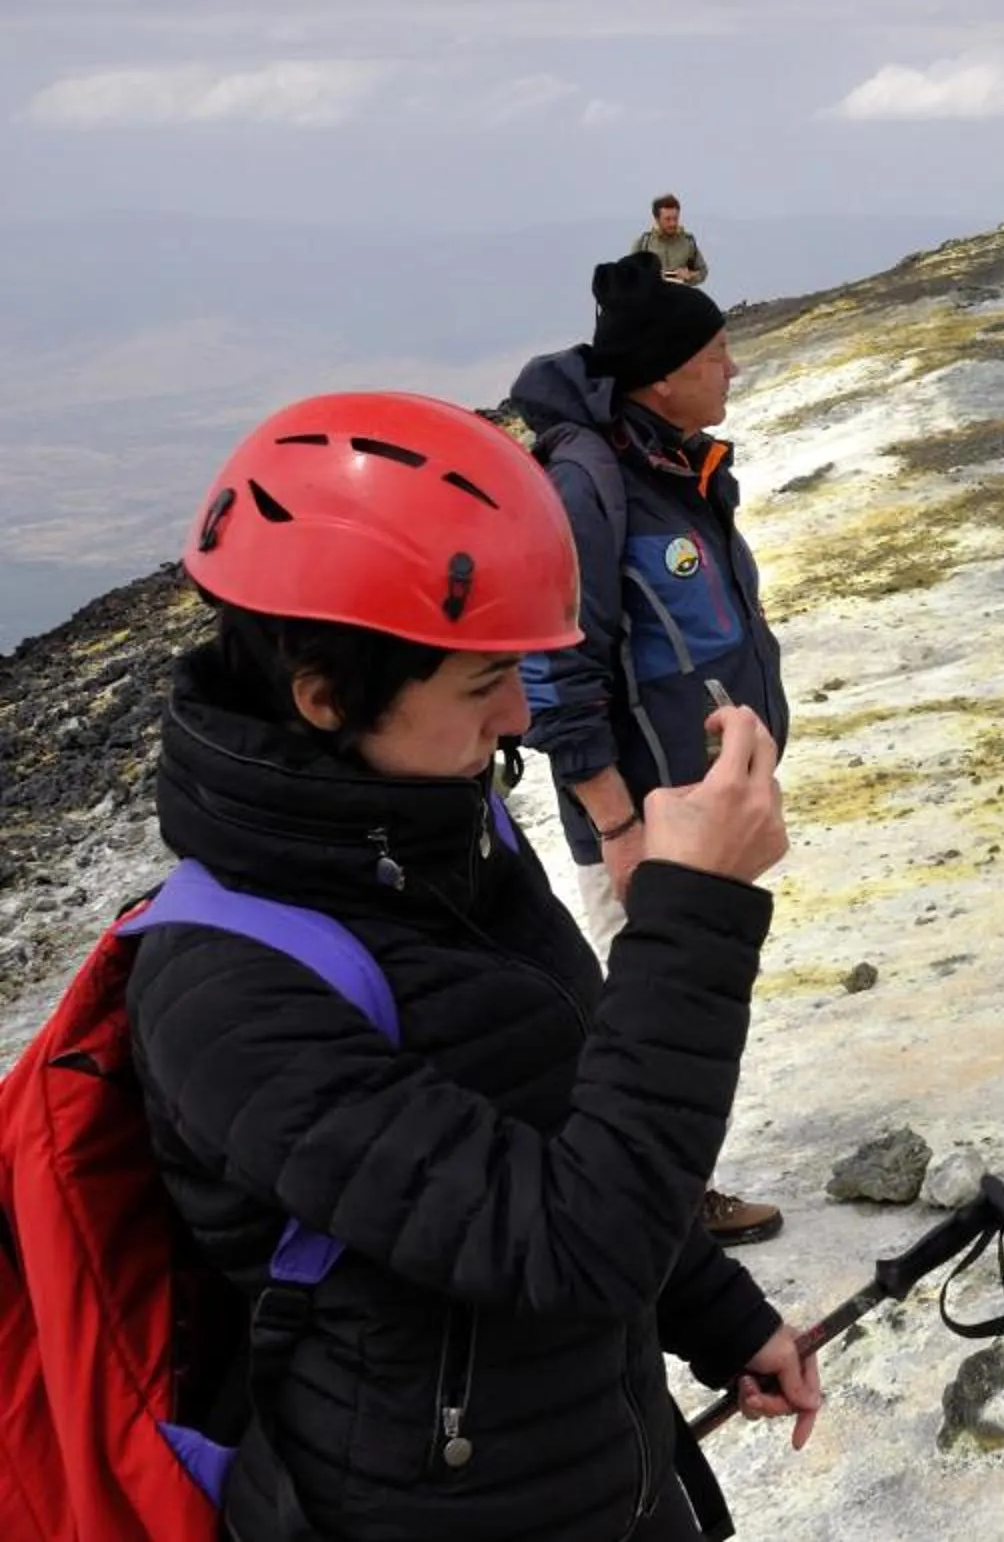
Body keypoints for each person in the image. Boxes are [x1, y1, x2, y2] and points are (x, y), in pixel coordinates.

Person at [127, 391, 819, 1542]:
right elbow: (573, 1240)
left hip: (606, 1459)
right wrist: (694, 913)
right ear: (325, 698)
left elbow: (565, 1111)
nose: (518, 715)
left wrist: (719, 1315)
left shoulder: (435, 829)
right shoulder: (225, 990)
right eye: (478, 681)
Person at [510, 251, 793, 1247]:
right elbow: (555, 671)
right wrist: (618, 825)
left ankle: (664, 1186)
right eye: (720, 353)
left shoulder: (673, 462)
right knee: (646, 1009)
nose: (734, 370)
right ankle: (653, 1203)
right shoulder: (590, 482)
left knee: (686, 990)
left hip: (697, 804)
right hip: (644, 812)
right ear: (665, 373)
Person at [634, 193, 709, 286]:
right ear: (657, 219)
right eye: (667, 219)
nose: (672, 223)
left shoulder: (688, 242)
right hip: (652, 298)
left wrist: (690, 275)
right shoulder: (643, 243)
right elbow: (630, 274)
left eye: (675, 218)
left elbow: (703, 271)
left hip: (680, 297)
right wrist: (652, 275)